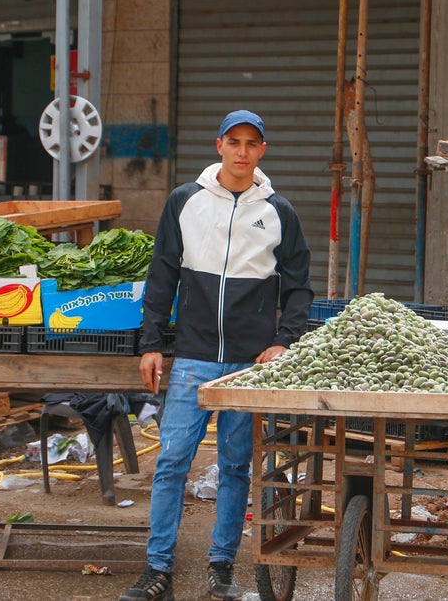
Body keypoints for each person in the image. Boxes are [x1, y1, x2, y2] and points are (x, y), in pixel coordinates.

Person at [119, 109, 314, 601]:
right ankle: (157, 569)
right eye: (235, 142)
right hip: (194, 359)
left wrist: (284, 342)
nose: (242, 151)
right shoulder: (185, 201)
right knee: (172, 463)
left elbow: (298, 288)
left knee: (234, 468)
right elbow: (162, 276)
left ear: (262, 150)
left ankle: (221, 569)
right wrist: (151, 343)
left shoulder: (279, 212)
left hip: (249, 365)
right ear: (219, 145)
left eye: (252, 143)